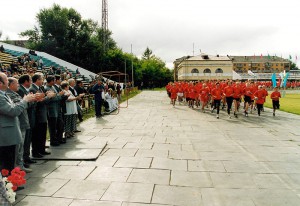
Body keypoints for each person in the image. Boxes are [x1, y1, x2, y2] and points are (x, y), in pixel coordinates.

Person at [0, 72, 35, 171]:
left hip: (10, 133)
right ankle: (8, 184)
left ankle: (10, 183)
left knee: (10, 160)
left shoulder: (4, 94)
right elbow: (13, 111)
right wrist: (25, 100)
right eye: (6, 80)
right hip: (6, 136)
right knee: (7, 163)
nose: (8, 82)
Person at [30, 73, 55, 158]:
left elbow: (43, 100)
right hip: (38, 115)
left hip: (43, 114)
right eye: (41, 79)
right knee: (37, 134)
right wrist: (48, 97)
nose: (42, 81)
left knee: (42, 133)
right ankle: (36, 152)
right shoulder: (33, 89)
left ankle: (41, 149)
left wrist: (47, 96)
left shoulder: (40, 88)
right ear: (37, 80)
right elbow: (39, 102)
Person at [44, 75, 65, 146]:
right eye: (54, 80)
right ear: (51, 81)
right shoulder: (46, 88)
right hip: (52, 110)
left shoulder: (53, 87)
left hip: (57, 108)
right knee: (52, 127)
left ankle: (59, 138)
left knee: (60, 124)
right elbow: (53, 98)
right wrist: (60, 95)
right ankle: (53, 140)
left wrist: (58, 95)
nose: (55, 81)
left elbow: (55, 96)